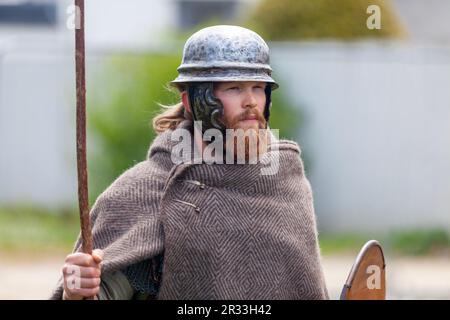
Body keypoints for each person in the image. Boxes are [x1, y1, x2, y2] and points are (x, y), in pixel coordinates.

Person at [51, 25, 329, 300]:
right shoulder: (144, 192)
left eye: (258, 88)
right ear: (192, 100)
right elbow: (102, 294)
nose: (251, 102)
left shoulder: (285, 181)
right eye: (234, 88)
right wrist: (76, 293)